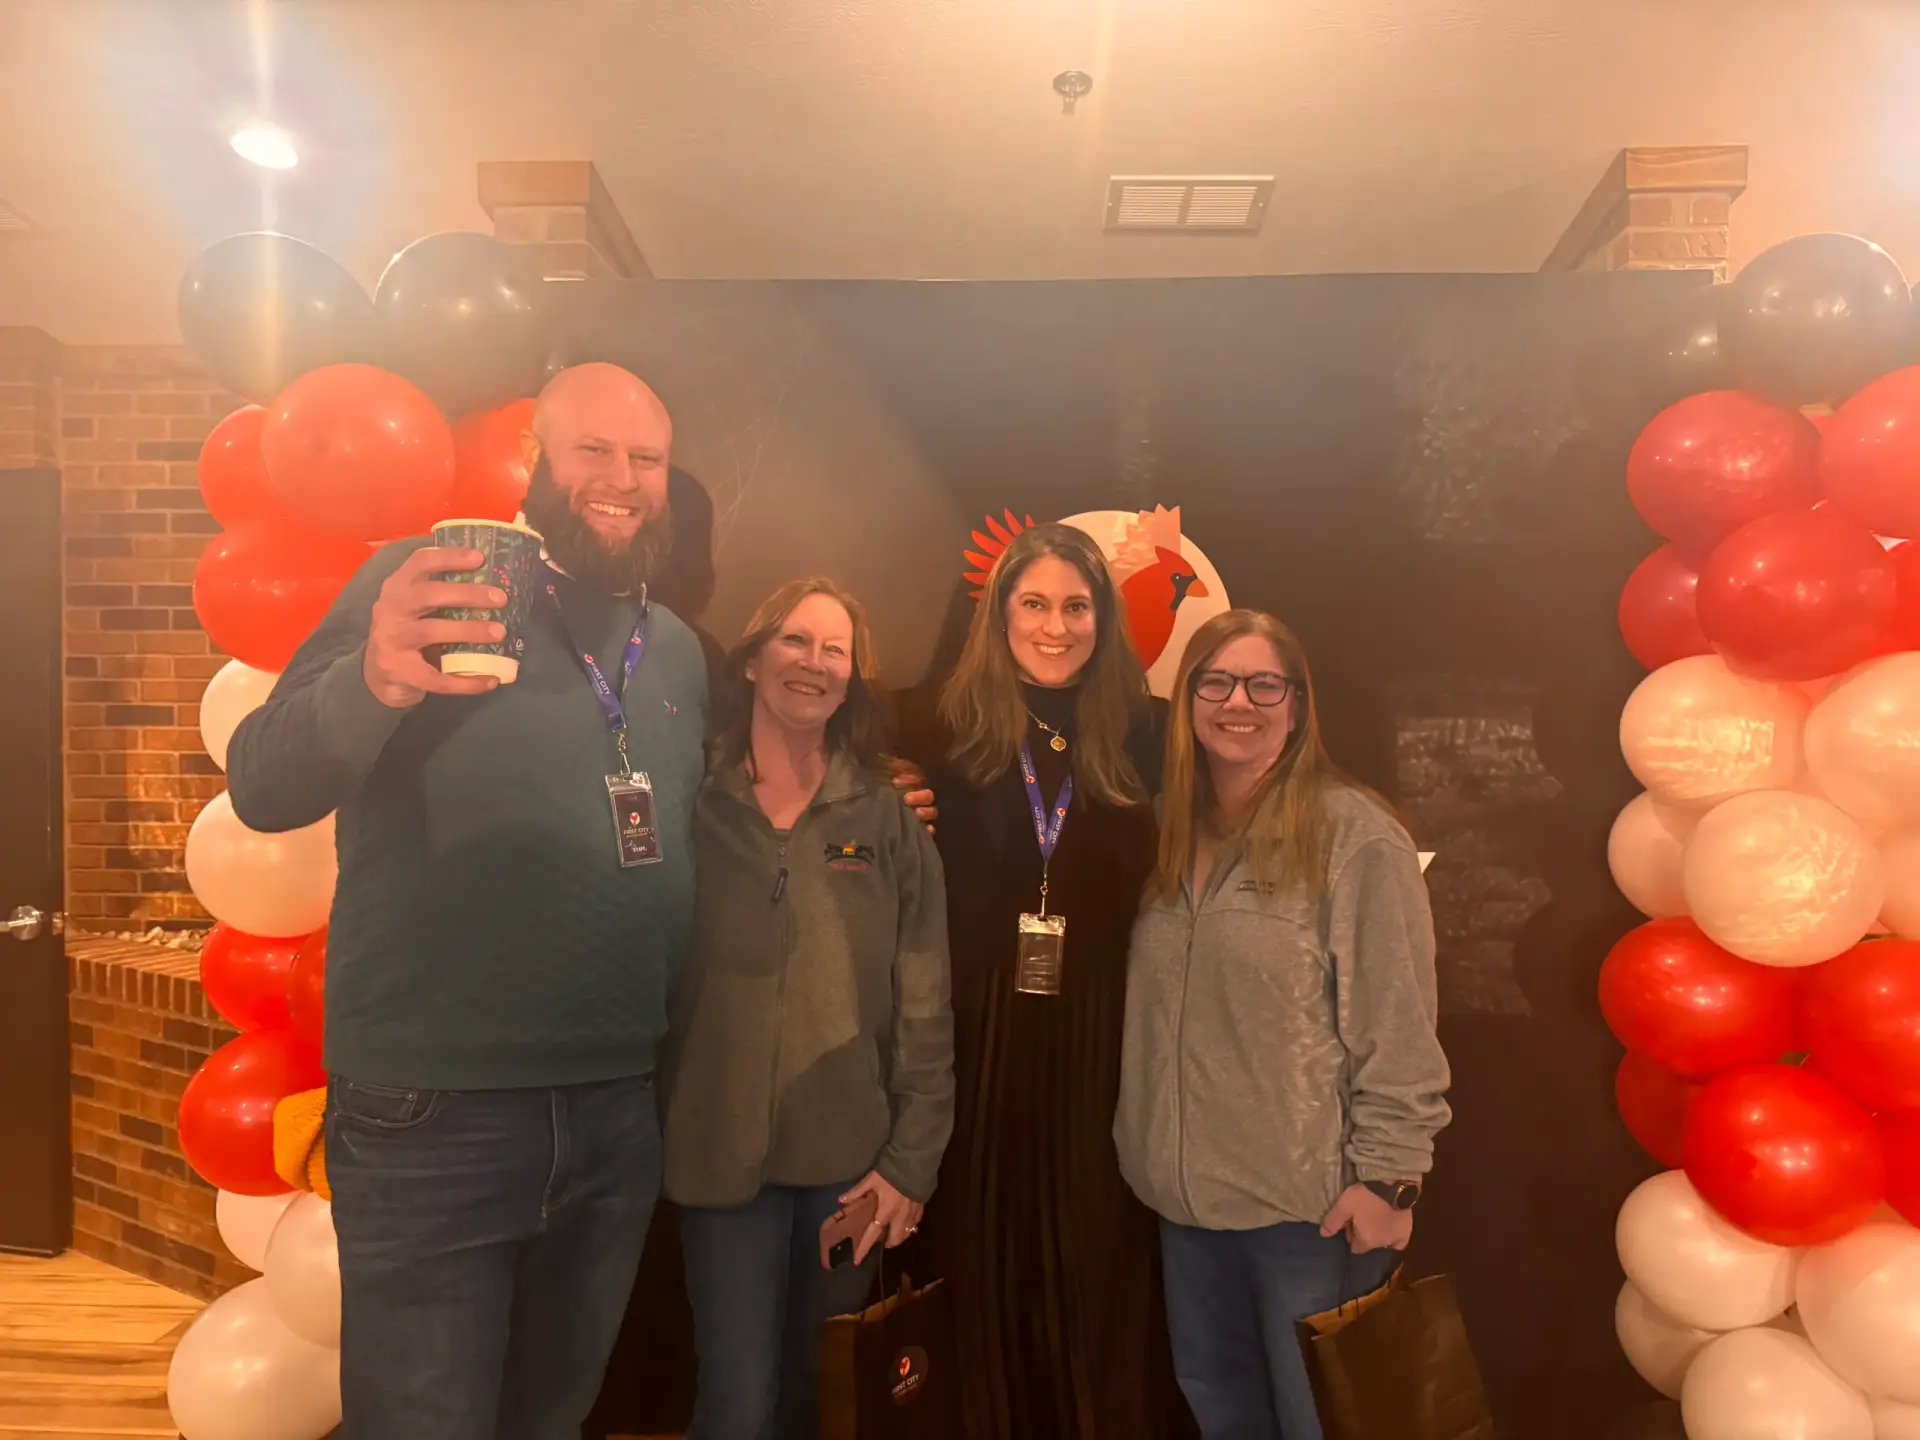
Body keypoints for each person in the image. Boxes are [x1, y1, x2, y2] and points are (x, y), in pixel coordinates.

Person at [227, 362, 707, 1438]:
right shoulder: (424, 586)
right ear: (533, 460)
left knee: (552, 1418)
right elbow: (261, 785)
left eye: (647, 458)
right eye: (593, 450)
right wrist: (375, 679)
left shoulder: (673, 648)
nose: (623, 478)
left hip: (617, 1105)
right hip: (433, 1111)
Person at [1113, 609, 1452, 1440]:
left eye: (1265, 685)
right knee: (1226, 1418)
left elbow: (1398, 1019)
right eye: (1217, 683)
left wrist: (1391, 1180)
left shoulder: (1354, 836)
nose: (1240, 702)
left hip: (1313, 1217)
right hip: (1188, 1214)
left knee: (1324, 1424)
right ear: (1187, 701)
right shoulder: (1162, 832)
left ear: (1297, 706)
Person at [903, 521, 1191, 1440]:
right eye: (1033, 604)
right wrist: (883, 786)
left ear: (1104, 618)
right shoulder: (939, 726)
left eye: (1076, 606)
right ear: (999, 613)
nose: (1055, 627)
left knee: (1094, 1257)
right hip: (978, 1029)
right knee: (979, 1252)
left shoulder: (1149, 729)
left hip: (1102, 1033)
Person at [662, 576, 955, 1440]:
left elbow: (927, 1002)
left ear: (853, 678)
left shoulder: (888, 815)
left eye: (836, 650)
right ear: (753, 659)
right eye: (795, 640)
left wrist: (911, 1165)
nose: (814, 663)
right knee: (736, 1404)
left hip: (851, 1169)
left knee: (823, 1400)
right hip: (716, 1161)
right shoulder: (687, 803)